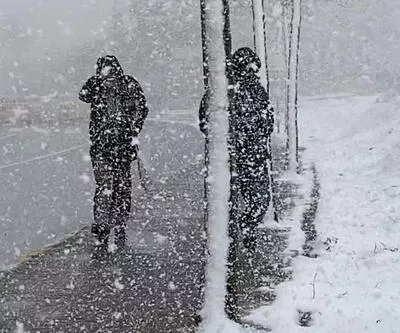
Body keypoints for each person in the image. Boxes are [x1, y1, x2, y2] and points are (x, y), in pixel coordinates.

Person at [198, 47, 274, 251]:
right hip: (231, 157)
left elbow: (268, 119)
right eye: (248, 68)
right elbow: (206, 120)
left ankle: (247, 228)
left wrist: (257, 133)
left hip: (253, 155)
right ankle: (229, 241)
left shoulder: (257, 91)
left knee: (259, 200)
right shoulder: (222, 90)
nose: (251, 72)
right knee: (228, 202)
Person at [79, 55, 149, 248]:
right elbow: (83, 95)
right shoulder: (102, 85)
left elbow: (142, 109)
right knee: (112, 187)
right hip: (110, 147)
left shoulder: (125, 85)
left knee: (114, 186)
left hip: (115, 146)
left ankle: (112, 224)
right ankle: (110, 224)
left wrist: (133, 130)